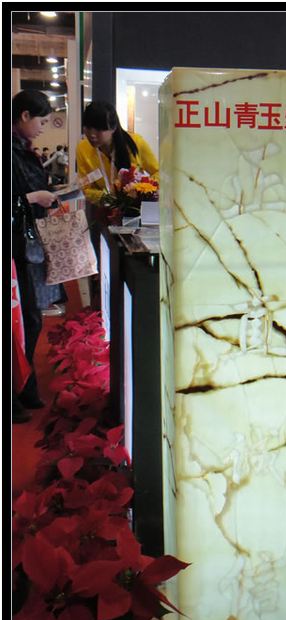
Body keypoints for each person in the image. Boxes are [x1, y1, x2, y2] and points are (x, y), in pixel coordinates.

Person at [12, 90, 67, 423]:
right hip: (14, 247)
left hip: (24, 244)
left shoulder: (20, 149)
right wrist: (35, 197)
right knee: (22, 320)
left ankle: (23, 388)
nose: (43, 128)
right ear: (24, 116)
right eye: (42, 121)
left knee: (29, 317)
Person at [76, 101, 159, 205]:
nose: (92, 135)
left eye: (99, 129)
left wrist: (142, 188)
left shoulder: (136, 143)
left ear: (113, 127)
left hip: (134, 208)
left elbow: (158, 172)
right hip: (104, 209)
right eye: (88, 128)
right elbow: (85, 188)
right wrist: (107, 197)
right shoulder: (82, 148)